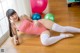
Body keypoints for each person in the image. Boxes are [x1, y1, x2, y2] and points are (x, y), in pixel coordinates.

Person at [6, 9, 80, 46]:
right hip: (41, 32)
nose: (15, 16)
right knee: (45, 42)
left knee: (62, 28)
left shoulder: (23, 16)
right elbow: (15, 35)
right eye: (12, 16)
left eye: (15, 14)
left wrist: (35, 21)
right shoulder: (14, 26)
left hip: (42, 23)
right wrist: (16, 40)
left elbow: (33, 20)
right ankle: (62, 36)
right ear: (9, 18)